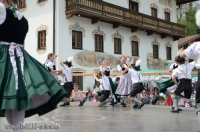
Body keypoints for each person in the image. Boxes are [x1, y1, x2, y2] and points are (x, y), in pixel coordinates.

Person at [0, 1, 67, 132]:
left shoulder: (1, 9)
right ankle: (17, 130)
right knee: (16, 98)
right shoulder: (22, 17)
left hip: (4, 57)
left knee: (10, 98)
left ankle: (17, 130)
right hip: (20, 57)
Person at [171, 48, 196, 113]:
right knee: (187, 100)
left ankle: (176, 108)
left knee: (174, 95)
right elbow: (195, 61)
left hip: (182, 83)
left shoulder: (176, 70)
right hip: (189, 83)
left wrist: (177, 84)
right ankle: (198, 108)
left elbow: (173, 78)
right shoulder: (189, 65)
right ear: (184, 61)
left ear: (176, 62)